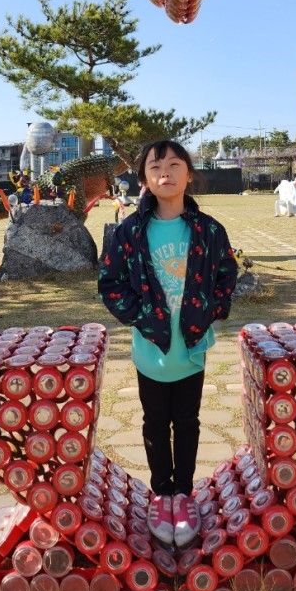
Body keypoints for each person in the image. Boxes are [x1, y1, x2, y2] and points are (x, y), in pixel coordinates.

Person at [98, 139, 237, 549]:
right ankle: (161, 495)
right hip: (151, 349)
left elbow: (227, 273)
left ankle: (184, 494)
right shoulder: (129, 232)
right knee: (156, 424)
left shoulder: (208, 229)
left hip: (191, 347)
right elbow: (110, 283)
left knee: (188, 422)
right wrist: (140, 317)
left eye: (176, 164)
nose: (166, 172)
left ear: (188, 175)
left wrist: (211, 309)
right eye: (156, 165)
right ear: (143, 178)